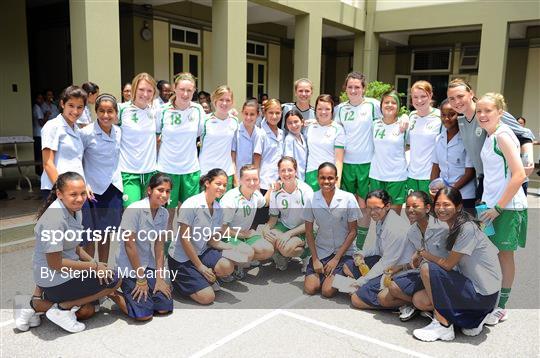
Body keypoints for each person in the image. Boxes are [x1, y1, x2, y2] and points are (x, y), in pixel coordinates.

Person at [13, 172, 121, 333]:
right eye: (73, 194)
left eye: (83, 193)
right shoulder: (55, 219)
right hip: (53, 278)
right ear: (59, 194)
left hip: (64, 274)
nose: (79, 198)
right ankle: (61, 308)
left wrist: (95, 263)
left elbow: (75, 247)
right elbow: (55, 264)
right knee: (115, 280)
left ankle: (33, 305)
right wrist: (95, 268)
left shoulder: (75, 210)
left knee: (87, 311)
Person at [411, 187, 502, 342]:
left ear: (459, 207)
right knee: (419, 300)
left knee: (427, 269)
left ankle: (443, 325)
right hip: (477, 292)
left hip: (482, 297)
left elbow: (446, 265)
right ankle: (473, 319)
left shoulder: (467, 228)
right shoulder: (454, 226)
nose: (440, 209)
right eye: (438, 205)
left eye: (446, 205)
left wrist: (424, 254)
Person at [476, 93, 528, 325]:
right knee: (487, 253)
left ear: (500, 112)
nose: (483, 115)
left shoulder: (503, 136)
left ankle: (502, 307)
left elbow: (519, 175)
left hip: (506, 207)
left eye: (488, 110)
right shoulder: (490, 136)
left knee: (505, 255)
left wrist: (498, 207)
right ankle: (489, 297)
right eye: (479, 111)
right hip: (489, 206)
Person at [446, 78, 535, 199]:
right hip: (485, 181)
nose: (456, 102)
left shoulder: (489, 112)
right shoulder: (461, 121)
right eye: (452, 98)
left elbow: (525, 135)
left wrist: (527, 159)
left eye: (460, 96)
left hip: (506, 180)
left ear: (471, 94)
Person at [377, 191, 449, 321]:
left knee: (398, 288)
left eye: (415, 206)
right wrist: (401, 267)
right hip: (424, 274)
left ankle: (441, 313)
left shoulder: (443, 228)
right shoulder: (412, 232)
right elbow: (419, 260)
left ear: (427, 208)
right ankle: (419, 305)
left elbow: (452, 261)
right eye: (408, 207)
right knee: (383, 298)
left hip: (444, 276)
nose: (410, 210)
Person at [168, 169, 235, 304]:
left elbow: (212, 240)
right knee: (207, 298)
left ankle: (204, 278)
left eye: (224, 185)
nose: (222, 188)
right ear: (207, 183)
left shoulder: (217, 208)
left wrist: (233, 248)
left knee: (227, 266)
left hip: (201, 251)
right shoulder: (191, 204)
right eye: (218, 183)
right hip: (181, 258)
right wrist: (200, 267)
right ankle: (178, 282)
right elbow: (184, 239)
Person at [113, 173, 174, 320]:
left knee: (164, 307)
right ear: (149, 190)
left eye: (167, 191)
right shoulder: (134, 210)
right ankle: (112, 293)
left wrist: (160, 277)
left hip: (148, 265)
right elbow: (129, 245)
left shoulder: (164, 213)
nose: (164, 194)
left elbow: (159, 246)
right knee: (144, 316)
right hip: (129, 266)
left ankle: (147, 295)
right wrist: (141, 279)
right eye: (160, 190)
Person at [334, 72, 382, 249]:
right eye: (350, 87)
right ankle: (348, 240)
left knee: (364, 203)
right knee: (349, 203)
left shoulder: (373, 105)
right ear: (345, 88)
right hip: (345, 163)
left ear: (364, 88)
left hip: (366, 162)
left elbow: (386, 122)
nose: (353, 90)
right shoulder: (340, 109)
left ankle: (361, 244)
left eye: (357, 87)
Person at [155, 72, 205, 228]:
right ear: (174, 89)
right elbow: (156, 139)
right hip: (167, 169)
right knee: (167, 217)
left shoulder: (198, 110)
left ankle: (182, 251)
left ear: (194, 91)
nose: (185, 94)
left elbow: (200, 136)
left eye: (189, 90)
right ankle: (164, 250)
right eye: (182, 89)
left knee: (187, 217)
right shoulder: (162, 111)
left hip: (190, 170)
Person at [303, 162, 359, 297]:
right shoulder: (311, 199)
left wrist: (336, 259)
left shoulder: (348, 198)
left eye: (330, 178)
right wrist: (315, 259)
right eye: (322, 178)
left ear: (336, 179)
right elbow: (309, 232)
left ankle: (353, 282)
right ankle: (329, 275)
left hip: (343, 252)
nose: (326, 181)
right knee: (311, 288)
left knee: (327, 291)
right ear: (317, 179)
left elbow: (353, 232)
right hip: (322, 251)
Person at [348, 190, 411, 310]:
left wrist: (361, 281)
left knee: (356, 300)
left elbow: (387, 262)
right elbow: (377, 247)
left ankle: (405, 303)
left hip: (396, 270)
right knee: (348, 266)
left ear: (387, 206)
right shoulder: (381, 219)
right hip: (385, 262)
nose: (372, 212)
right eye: (369, 208)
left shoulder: (395, 228)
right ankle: (367, 287)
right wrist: (362, 253)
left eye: (377, 208)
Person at [79, 94, 123, 262]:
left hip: (112, 189)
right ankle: (89, 276)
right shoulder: (86, 133)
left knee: (105, 233)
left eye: (110, 111)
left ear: (116, 113)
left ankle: (103, 271)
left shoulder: (119, 131)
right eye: (101, 111)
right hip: (92, 190)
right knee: (89, 234)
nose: (106, 115)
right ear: (96, 112)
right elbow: (77, 160)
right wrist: (84, 184)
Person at [220, 165, 273, 279]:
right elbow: (221, 229)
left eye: (255, 179)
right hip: (226, 237)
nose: (252, 183)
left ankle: (241, 261)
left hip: (244, 234)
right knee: (248, 253)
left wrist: (272, 188)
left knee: (268, 250)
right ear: (240, 180)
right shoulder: (230, 199)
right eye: (248, 180)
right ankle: (225, 266)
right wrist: (243, 234)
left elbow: (265, 203)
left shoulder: (255, 194)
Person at [264, 157, 313, 271]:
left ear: (295, 171)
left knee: (286, 248)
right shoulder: (276, 191)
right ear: (279, 172)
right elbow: (273, 219)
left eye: (290, 170)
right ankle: (282, 256)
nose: (286, 173)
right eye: (283, 170)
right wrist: (265, 229)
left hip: (304, 229)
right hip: (285, 226)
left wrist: (289, 234)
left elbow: (310, 222)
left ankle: (306, 254)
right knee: (267, 238)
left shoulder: (306, 191)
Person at [117, 72, 159, 207]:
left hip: (150, 173)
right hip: (129, 173)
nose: (145, 94)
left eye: (149, 91)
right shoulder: (121, 110)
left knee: (149, 215)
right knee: (132, 214)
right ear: (134, 89)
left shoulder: (155, 112)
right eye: (141, 89)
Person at [40, 86, 87, 199]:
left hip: (75, 191)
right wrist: (62, 191)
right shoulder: (53, 126)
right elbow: (48, 163)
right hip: (58, 190)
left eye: (79, 107)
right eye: (71, 105)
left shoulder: (77, 130)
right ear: (62, 104)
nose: (75, 111)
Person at [430, 99, 476, 210]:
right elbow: (435, 168)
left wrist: (449, 191)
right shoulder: (439, 139)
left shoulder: (467, 139)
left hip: (464, 195)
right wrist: (433, 188)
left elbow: (470, 173)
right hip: (444, 195)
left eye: (451, 114)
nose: (446, 118)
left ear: (459, 115)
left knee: (463, 226)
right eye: (443, 115)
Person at [368, 90, 408, 214]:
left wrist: (406, 116)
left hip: (397, 176)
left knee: (393, 216)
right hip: (376, 175)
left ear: (398, 107)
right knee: (377, 214)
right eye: (386, 102)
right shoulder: (374, 124)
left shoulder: (404, 125)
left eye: (393, 102)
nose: (389, 105)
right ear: (381, 106)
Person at [198, 85, 239, 189]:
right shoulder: (204, 121)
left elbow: (234, 149)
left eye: (228, 100)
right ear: (214, 100)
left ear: (232, 102)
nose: (224, 103)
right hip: (206, 172)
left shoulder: (235, 121)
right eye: (221, 99)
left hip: (226, 172)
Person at [407, 81, 441, 195]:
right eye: (415, 97)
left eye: (423, 96)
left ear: (430, 96)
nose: (419, 100)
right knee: (413, 211)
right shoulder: (411, 116)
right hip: (411, 174)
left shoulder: (440, 116)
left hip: (430, 176)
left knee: (429, 211)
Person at [304, 95, 345, 191]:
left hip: (329, 175)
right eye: (319, 109)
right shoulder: (309, 127)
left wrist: (337, 182)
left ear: (332, 110)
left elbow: (339, 160)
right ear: (315, 110)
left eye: (327, 109)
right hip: (311, 173)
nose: (323, 112)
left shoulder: (338, 129)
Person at [253, 99, 284, 193]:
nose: (274, 116)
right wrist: (256, 182)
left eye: (277, 113)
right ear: (265, 113)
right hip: (264, 183)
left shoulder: (282, 133)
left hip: (279, 183)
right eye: (271, 112)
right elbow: (256, 161)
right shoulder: (261, 134)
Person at [232, 99, 263, 183]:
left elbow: (258, 158)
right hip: (239, 177)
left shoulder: (260, 133)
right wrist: (235, 180)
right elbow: (232, 159)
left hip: (254, 178)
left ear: (258, 115)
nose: (248, 117)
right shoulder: (236, 131)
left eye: (252, 114)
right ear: (242, 113)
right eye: (246, 114)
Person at [283, 110, 307, 181]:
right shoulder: (289, 139)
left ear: (302, 122)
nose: (293, 125)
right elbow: (288, 161)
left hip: (304, 177)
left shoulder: (302, 136)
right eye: (290, 123)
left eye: (296, 122)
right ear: (286, 125)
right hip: (295, 178)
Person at [32, 93, 45, 175]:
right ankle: (41, 173)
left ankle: (40, 173)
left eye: (42, 98)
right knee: (40, 155)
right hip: (39, 135)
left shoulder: (37, 108)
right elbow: (41, 123)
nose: (41, 100)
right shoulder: (37, 108)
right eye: (39, 98)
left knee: (40, 155)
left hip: (37, 134)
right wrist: (47, 116)